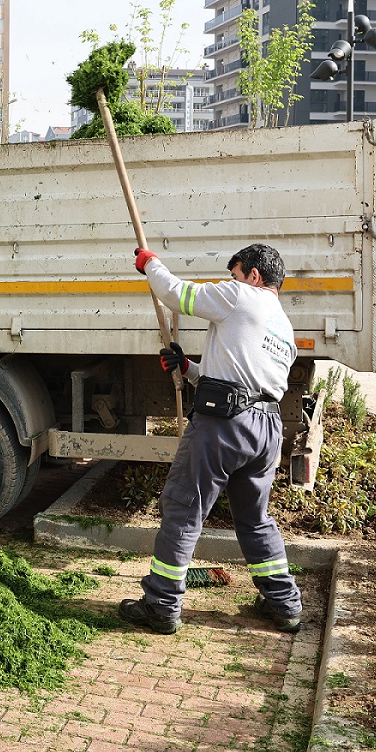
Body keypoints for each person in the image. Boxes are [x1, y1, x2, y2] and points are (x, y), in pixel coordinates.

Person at [118, 243, 303, 635]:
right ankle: (284, 604)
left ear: (254, 275)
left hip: (224, 426)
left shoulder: (241, 296)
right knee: (255, 519)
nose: (230, 281)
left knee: (183, 509)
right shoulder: (283, 328)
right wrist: (188, 368)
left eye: (235, 274)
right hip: (265, 430)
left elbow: (176, 294)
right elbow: (243, 378)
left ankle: (161, 605)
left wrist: (151, 264)